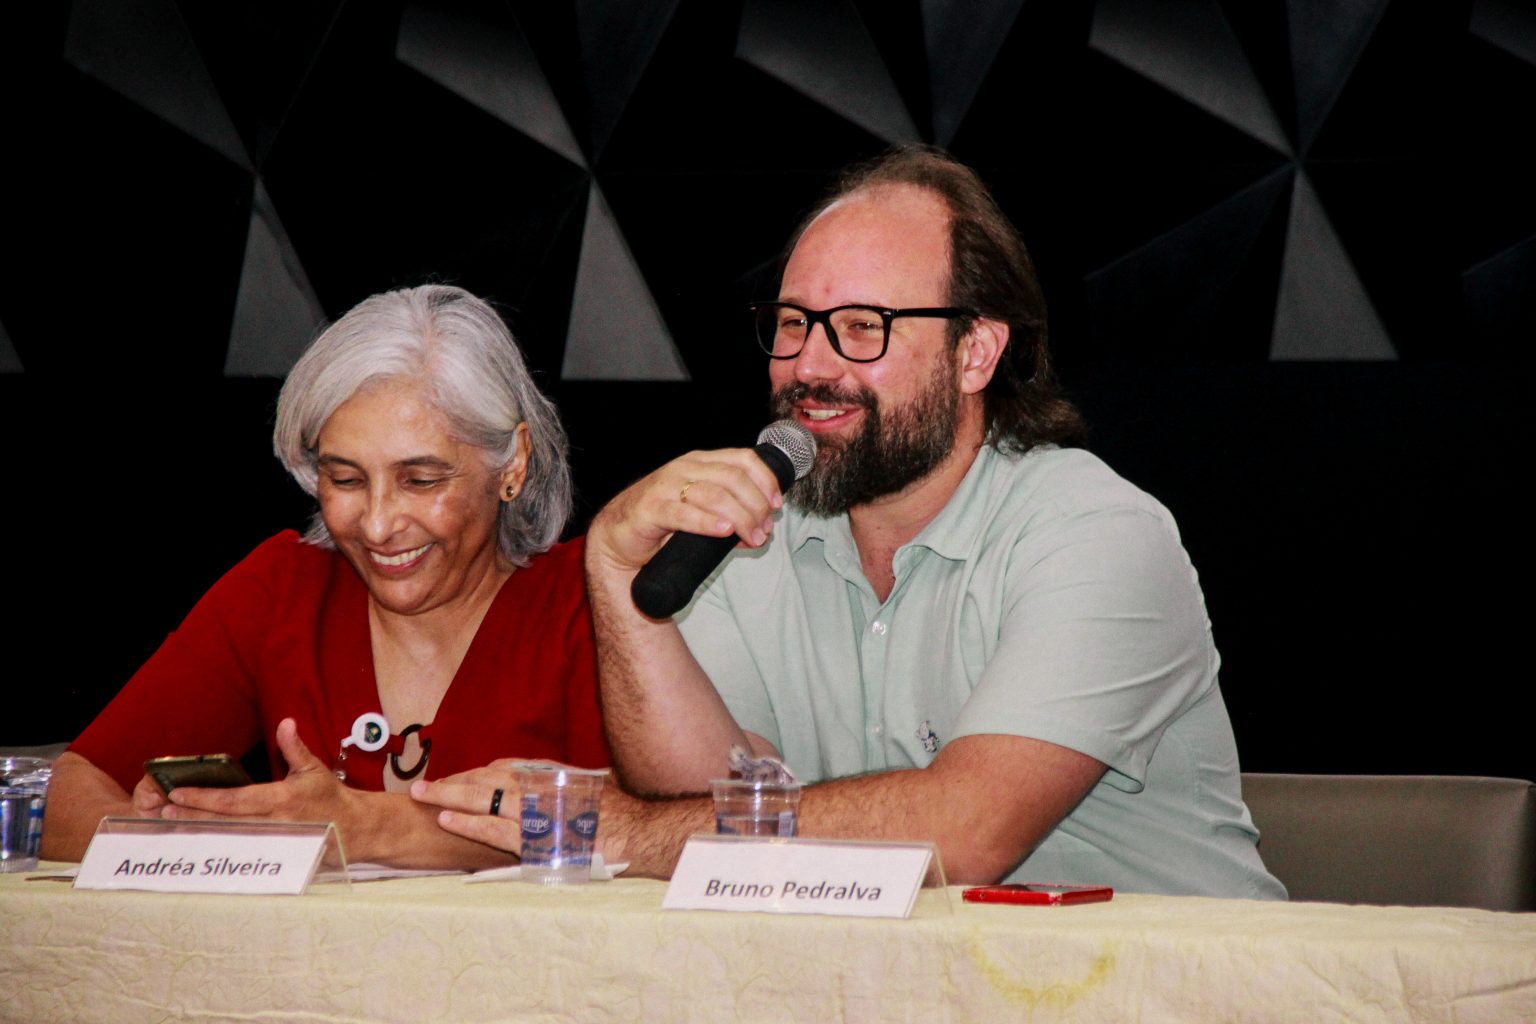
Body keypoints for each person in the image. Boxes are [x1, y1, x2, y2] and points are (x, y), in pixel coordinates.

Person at [415, 148, 1285, 897]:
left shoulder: (1097, 534)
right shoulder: (750, 534)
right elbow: (700, 792)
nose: (810, 365)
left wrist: (629, 834)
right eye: (793, 323)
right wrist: (614, 575)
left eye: (864, 328)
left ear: (976, 352)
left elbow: (966, 831)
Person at [42, 284, 608, 868]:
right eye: (345, 480)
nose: (378, 524)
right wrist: (189, 840)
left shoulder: (590, 600)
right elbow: (64, 793)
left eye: (420, 481)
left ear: (512, 463)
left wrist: (363, 827)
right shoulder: (284, 588)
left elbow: (637, 829)